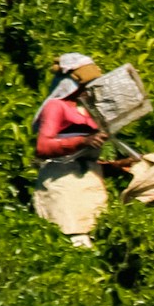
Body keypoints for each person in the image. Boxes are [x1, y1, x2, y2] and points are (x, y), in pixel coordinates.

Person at [31, 52, 110, 247]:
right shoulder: (56, 106)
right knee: (75, 237)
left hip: (89, 180)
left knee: (96, 235)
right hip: (63, 180)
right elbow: (43, 147)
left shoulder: (87, 109)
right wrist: (82, 142)